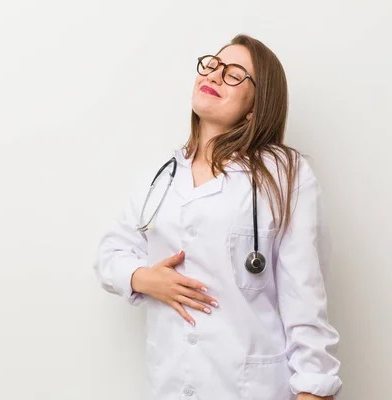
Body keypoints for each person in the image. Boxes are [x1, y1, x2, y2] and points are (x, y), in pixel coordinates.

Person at [93, 34, 342, 400]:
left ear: (257, 105)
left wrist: (314, 390)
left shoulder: (285, 174)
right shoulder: (161, 176)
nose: (213, 75)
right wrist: (144, 278)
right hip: (170, 385)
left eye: (233, 74)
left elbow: (304, 297)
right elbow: (110, 254)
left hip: (250, 389)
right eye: (211, 66)